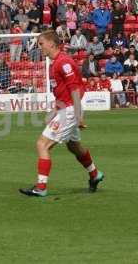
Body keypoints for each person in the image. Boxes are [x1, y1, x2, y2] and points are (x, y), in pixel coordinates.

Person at [19, 30, 104, 197]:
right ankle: (95, 174)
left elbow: (75, 89)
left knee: (42, 144)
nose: (40, 47)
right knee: (73, 146)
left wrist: (78, 116)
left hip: (71, 111)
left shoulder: (63, 62)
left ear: (52, 43)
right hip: (66, 108)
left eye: (41, 44)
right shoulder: (54, 64)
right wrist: (55, 110)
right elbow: (63, 92)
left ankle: (41, 187)